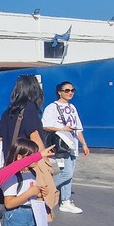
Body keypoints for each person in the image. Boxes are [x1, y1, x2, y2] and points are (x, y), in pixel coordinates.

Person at [0, 75, 59, 215]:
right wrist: (44, 158)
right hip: (27, 163)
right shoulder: (30, 109)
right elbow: (35, 136)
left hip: (11, 163)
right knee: (31, 199)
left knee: (12, 196)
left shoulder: (9, 111)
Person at [42, 81, 90, 214]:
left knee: (70, 175)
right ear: (59, 92)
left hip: (72, 145)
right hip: (60, 145)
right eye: (67, 90)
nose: (70, 93)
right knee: (66, 173)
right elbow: (44, 125)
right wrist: (61, 128)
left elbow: (78, 129)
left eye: (72, 90)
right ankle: (43, 189)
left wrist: (84, 144)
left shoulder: (72, 108)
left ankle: (66, 201)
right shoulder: (52, 107)